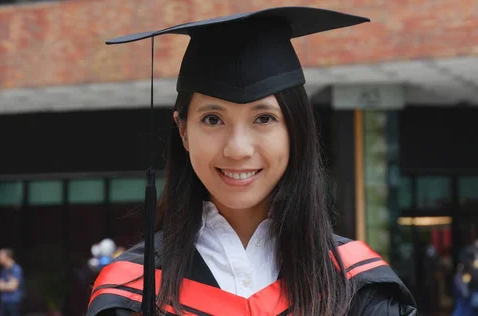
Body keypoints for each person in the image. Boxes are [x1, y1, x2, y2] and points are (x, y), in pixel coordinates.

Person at [87, 6, 417, 316]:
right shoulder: (133, 292)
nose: (238, 149)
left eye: (264, 118)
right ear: (183, 132)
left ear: (296, 130)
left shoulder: (359, 288)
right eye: (213, 119)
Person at [0, 248, 23, 316]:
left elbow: (13, 287)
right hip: (3, 301)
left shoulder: (16, 269)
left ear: (7, 257)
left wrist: (4, 285)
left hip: (13, 301)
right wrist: (7, 285)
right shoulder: (3, 270)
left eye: (1, 256)